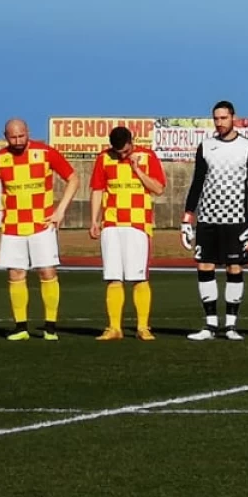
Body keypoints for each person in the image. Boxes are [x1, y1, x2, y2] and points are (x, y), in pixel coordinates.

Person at [0, 118, 77, 340]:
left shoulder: (45, 153)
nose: (17, 140)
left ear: (28, 132)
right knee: (16, 274)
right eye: (13, 137)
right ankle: (20, 327)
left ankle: (50, 327)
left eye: (21, 135)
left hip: (42, 224)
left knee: (47, 272)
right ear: (5, 136)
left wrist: (60, 210)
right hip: (12, 227)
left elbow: (73, 179)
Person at [180, 102, 248, 340]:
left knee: (233, 268)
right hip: (207, 219)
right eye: (216, 118)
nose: (219, 123)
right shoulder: (206, 146)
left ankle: (230, 326)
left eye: (224, 118)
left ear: (233, 118)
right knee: (204, 266)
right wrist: (188, 217)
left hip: (236, 219)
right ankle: (209, 325)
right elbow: (197, 182)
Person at [88, 125, 165, 341]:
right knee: (113, 277)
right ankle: (114, 327)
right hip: (111, 223)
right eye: (118, 152)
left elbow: (158, 188)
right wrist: (94, 220)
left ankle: (143, 327)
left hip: (138, 224)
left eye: (125, 151)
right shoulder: (103, 158)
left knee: (138, 277)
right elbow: (97, 189)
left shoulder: (147, 156)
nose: (122, 155)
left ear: (133, 141)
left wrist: (137, 170)